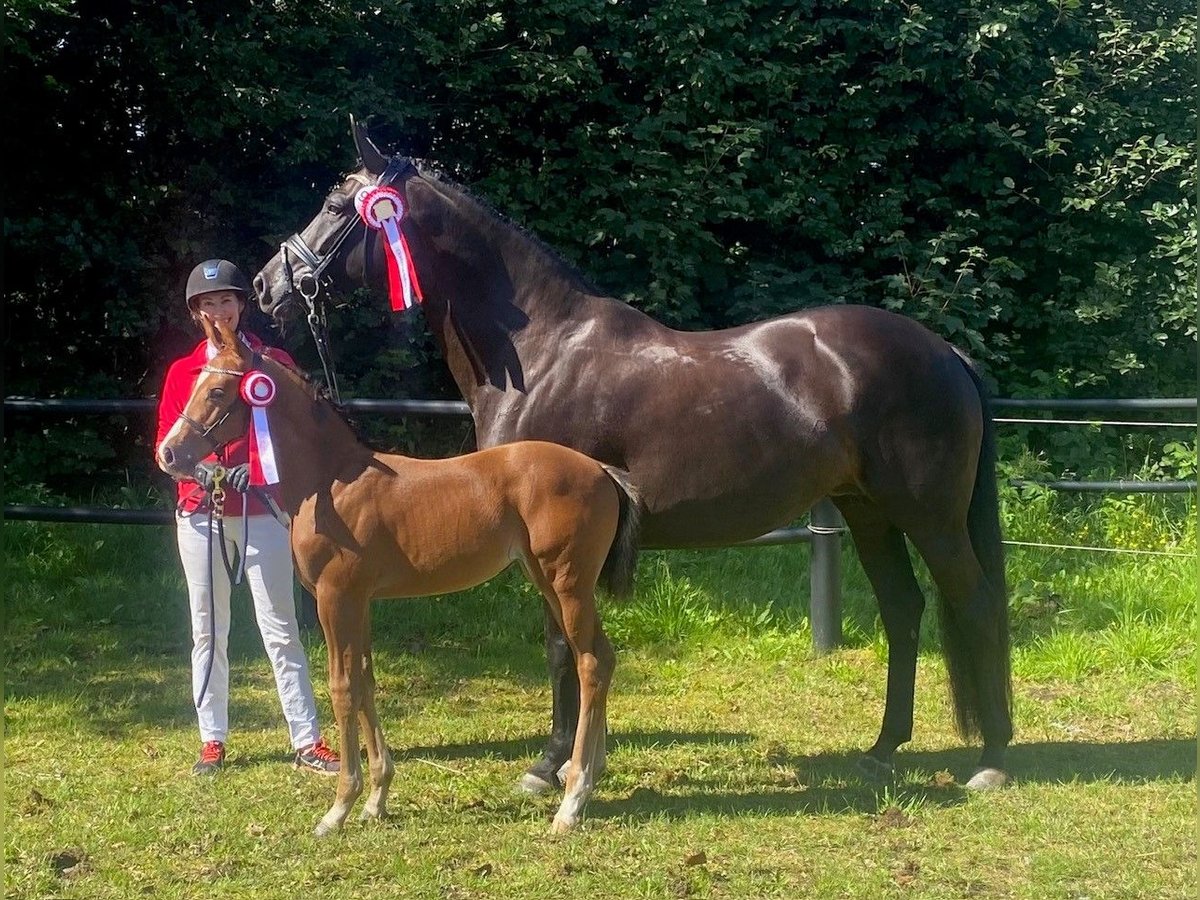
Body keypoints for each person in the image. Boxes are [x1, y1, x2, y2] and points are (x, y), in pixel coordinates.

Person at [155, 258, 340, 777]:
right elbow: (167, 449)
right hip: (201, 513)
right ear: (197, 313)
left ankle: (307, 738)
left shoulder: (273, 363)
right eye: (209, 303)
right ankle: (211, 739)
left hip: (262, 511)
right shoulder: (182, 374)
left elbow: (295, 439)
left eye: (227, 300)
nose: (220, 310)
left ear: (240, 305)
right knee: (208, 627)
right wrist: (209, 472)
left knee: (281, 626)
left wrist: (256, 475)